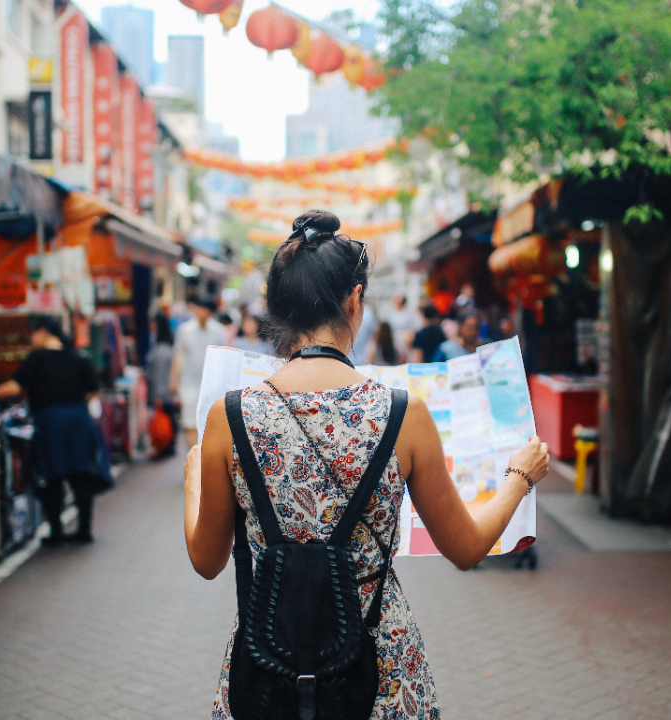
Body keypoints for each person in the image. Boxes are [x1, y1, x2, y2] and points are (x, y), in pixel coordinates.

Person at [183, 209, 551, 719]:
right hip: (379, 670)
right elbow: (467, 548)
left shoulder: (230, 416)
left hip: (268, 668)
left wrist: (192, 485)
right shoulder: (404, 413)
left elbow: (207, 561)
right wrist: (520, 476)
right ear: (355, 300)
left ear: (278, 307)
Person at [0, 315, 105, 544]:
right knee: (80, 475)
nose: (31, 338)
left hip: (51, 422)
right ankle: (84, 530)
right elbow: (94, 389)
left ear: (43, 331)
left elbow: (15, 386)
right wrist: (74, 402)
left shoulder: (37, 358)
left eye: (32, 333)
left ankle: (56, 533)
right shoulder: (77, 357)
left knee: (52, 476)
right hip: (78, 420)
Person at [171, 295, 227, 448]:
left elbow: (224, 358)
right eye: (200, 308)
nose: (202, 312)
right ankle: (194, 459)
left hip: (212, 384)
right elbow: (179, 355)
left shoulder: (219, 331)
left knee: (210, 423)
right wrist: (174, 380)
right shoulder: (185, 330)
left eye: (206, 310)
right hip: (189, 383)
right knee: (190, 422)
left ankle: (207, 459)